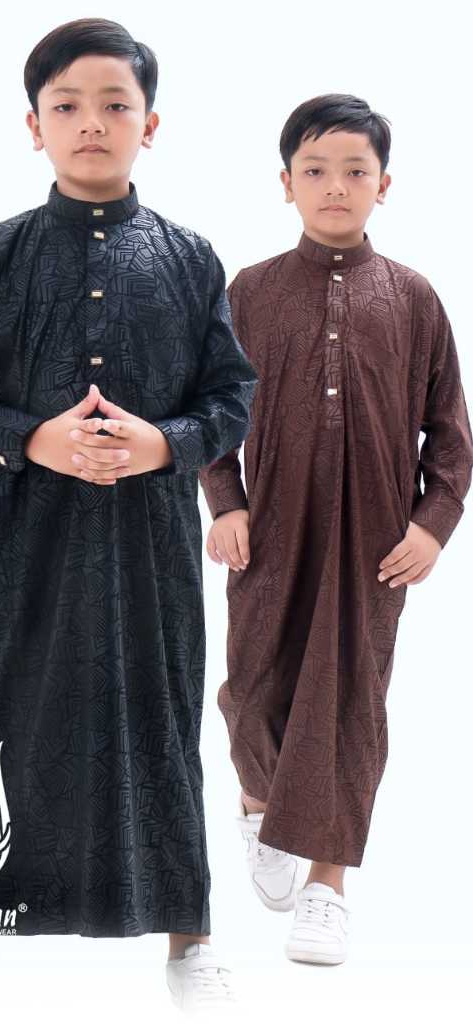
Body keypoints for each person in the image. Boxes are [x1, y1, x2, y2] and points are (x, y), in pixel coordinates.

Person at [0, 18, 256, 1016]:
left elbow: (232, 395)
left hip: (151, 543)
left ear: (152, 122)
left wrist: (162, 443)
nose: (92, 123)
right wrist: (32, 438)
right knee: (1, 709)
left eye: (116, 104)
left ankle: (189, 933)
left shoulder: (190, 257)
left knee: (163, 714)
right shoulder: (0, 251)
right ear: (34, 126)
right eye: (66, 105)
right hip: (25, 535)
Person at [199, 94, 473, 966]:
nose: (335, 185)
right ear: (285, 183)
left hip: (373, 547)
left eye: (356, 170)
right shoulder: (250, 291)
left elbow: (451, 436)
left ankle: (327, 888)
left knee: (349, 701)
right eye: (315, 170)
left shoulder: (415, 298)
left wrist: (433, 525)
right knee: (252, 687)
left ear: (384, 185)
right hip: (270, 534)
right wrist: (226, 502)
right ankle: (260, 804)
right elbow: (213, 415)